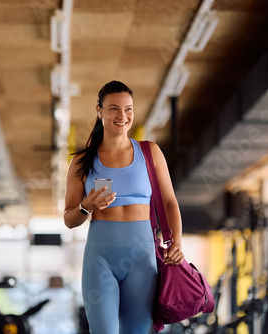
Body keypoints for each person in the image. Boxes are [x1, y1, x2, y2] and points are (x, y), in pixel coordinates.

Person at [63, 81, 185, 333]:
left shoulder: (150, 152)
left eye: (128, 109)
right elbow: (69, 218)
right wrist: (86, 207)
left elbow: (170, 202)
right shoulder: (81, 162)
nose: (123, 116)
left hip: (142, 258)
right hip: (100, 259)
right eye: (114, 109)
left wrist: (177, 244)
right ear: (99, 110)